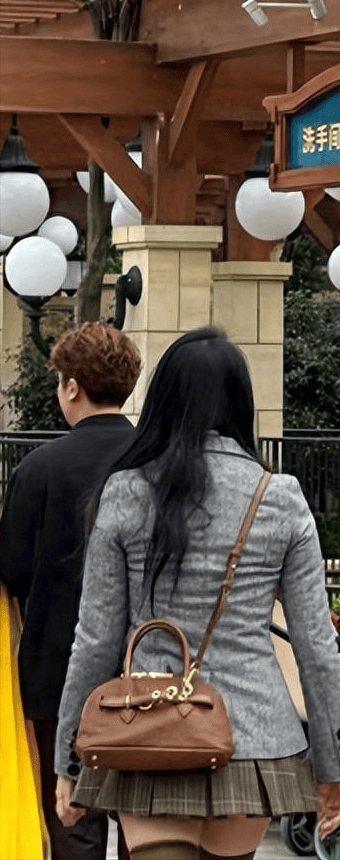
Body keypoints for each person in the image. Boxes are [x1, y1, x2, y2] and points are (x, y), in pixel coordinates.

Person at [52, 327, 340, 860]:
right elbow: (316, 648)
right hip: (252, 738)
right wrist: (335, 766)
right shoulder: (279, 497)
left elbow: (95, 640)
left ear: (162, 400)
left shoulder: (126, 491)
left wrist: (69, 761)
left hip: (148, 731)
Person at [0, 321, 142, 860]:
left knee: (71, 821)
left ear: (72, 387)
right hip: (145, 674)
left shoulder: (40, 468)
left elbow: (13, 569)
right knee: (144, 824)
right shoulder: (153, 461)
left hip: (55, 672)